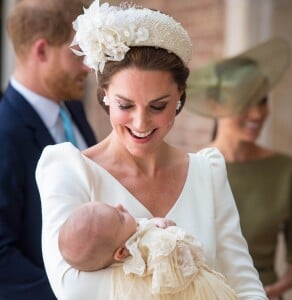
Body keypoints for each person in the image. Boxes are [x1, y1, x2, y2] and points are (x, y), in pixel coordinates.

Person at [36, 1, 268, 299]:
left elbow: (244, 282)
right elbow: (73, 289)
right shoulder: (67, 169)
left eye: (158, 106)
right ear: (105, 95)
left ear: (179, 96)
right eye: (125, 105)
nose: (140, 122)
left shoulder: (207, 173)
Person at [186, 38, 292, 299]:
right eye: (245, 101)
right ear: (214, 105)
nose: (258, 114)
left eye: (261, 100)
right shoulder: (192, 169)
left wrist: (273, 290)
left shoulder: (287, 171)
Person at [0, 0, 97, 299]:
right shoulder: (5, 132)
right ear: (41, 50)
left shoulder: (74, 110)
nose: (88, 66)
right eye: (78, 52)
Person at [58, 201, 238, 299]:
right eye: (120, 217)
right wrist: (167, 234)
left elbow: (149, 228)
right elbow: (177, 253)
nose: (120, 206)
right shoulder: (139, 257)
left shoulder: (131, 235)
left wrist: (158, 224)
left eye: (112, 206)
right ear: (121, 253)